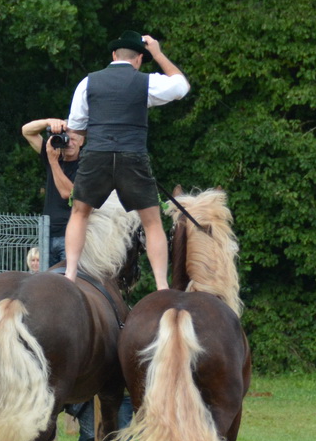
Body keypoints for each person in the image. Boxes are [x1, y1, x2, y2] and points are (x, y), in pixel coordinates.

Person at [60, 31, 190, 289]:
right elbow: (181, 87)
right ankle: (162, 285)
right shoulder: (146, 82)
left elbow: (75, 127)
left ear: (113, 55)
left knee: (80, 213)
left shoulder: (88, 82)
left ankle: (70, 275)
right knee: (151, 222)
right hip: (133, 157)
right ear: (139, 58)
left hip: (96, 156)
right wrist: (158, 54)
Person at [21, 117, 80, 266]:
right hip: (47, 234)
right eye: (66, 139)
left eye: (73, 139)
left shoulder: (86, 165)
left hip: (70, 236)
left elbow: (68, 193)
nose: (69, 143)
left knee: (68, 279)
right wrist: (50, 122)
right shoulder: (53, 155)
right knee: (46, 280)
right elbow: (26, 131)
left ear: (82, 141)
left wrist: (53, 162)